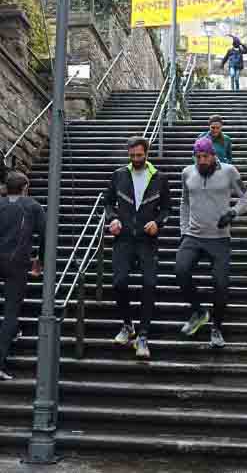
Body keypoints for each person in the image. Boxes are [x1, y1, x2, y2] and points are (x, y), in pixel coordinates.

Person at [177, 138, 247, 348]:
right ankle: (199, 312)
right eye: (198, 157)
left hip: (219, 238)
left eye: (205, 157)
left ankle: (217, 327)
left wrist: (233, 212)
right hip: (193, 235)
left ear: (213, 155)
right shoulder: (187, 173)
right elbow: (184, 203)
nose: (201, 161)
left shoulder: (229, 171)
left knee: (220, 284)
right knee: (180, 270)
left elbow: (246, 197)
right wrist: (183, 230)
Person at [103, 137, 172, 359]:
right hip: (123, 237)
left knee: (149, 284)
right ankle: (127, 325)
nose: (135, 159)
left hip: (147, 239)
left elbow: (167, 208)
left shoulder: (160, 178)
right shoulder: (119, 175)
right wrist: (113, 218)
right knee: (119, 282)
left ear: (147, 153)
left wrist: (157, 223)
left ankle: (143, 335)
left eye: (139, 155)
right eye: (132, 156)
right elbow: (107, 202)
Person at [0, 171, 44, 380]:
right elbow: (45, 236)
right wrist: (39, 260)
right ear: (25, 187)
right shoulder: (33, 206)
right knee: (10, 311)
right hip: (16, 263)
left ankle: (14, 330)